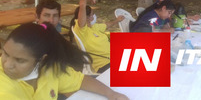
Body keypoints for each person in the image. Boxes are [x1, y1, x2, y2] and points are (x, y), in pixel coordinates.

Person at [0, 23, 128, 99]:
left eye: (20, 60)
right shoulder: (4, 89)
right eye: (5, 54)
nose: (7, 64)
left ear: (41, 60)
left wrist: (112, 94)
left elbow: (79, 80)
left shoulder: (49, 70)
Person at [70, 0, 124, 73]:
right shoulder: (81, 29)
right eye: (92, 14)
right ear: (86, 17)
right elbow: (82, 5)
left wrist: (117, 20)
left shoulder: (93, 27)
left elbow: (107, 24)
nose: (94, 16)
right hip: (105, 64)